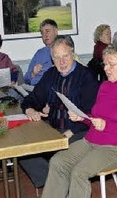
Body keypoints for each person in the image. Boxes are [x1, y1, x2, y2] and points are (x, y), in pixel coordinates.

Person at [40, 45, 117, 198]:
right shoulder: (105, 86)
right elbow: (96, 117)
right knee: (58, 161)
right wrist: (82, 118)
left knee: (79, 172)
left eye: (112, 64)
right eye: (105, 64)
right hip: (93, 140)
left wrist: (106, 126)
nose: (107, 69)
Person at [19, 36, 99, 188]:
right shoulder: (50, 75)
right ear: (52, 59)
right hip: (53, 128)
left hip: (80, 131)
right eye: (57, 58)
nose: (61, 62)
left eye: (65, 56)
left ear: (73, 54)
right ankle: (51, 179)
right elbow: (32, 98)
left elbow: (92, 114)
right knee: (23, 150)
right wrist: (29, 109)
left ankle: (57, 181)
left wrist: (71, 131)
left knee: (61, 154)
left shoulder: (86, 76)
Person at [24, 19, 58, 85]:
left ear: (56, 31)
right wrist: (33, 74)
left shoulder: (64, 51)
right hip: (34, 89)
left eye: (47, 31)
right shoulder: (39, 53)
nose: (45, 35)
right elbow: (26, 79)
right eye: (42, 33)